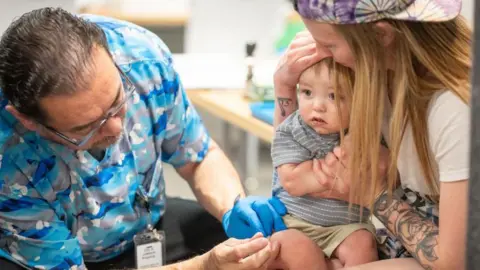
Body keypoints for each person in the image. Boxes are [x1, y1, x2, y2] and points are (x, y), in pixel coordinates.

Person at [0, 8, 286, 270]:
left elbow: (198, 157)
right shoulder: (8, 158)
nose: (115, 127)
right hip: (59, 254)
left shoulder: (141, 57)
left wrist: (233, 208)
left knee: (259, 251)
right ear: (29, 121)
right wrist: (204, 266)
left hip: (146, 226)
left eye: (117, 100)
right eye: (88, 127)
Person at [273, 0, 470, 269]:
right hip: (393, 241)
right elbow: (290, 157)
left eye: (328, 45)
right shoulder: (379, 71)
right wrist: (285, 85)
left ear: (381, 35)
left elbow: (453, 260)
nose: (320, 54)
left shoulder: (456, 108)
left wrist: (374, 192)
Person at [269, 58, 377, 270]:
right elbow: (292, 181)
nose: (317, 106)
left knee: (363, 244)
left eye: (333, 96)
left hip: (347, 226)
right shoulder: (292, 130)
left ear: (359, 102)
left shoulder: (366, 132)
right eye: (307, 93)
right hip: (296, 223)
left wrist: (314, 172)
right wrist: (337, 171)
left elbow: (375, 177)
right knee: (292, 247)